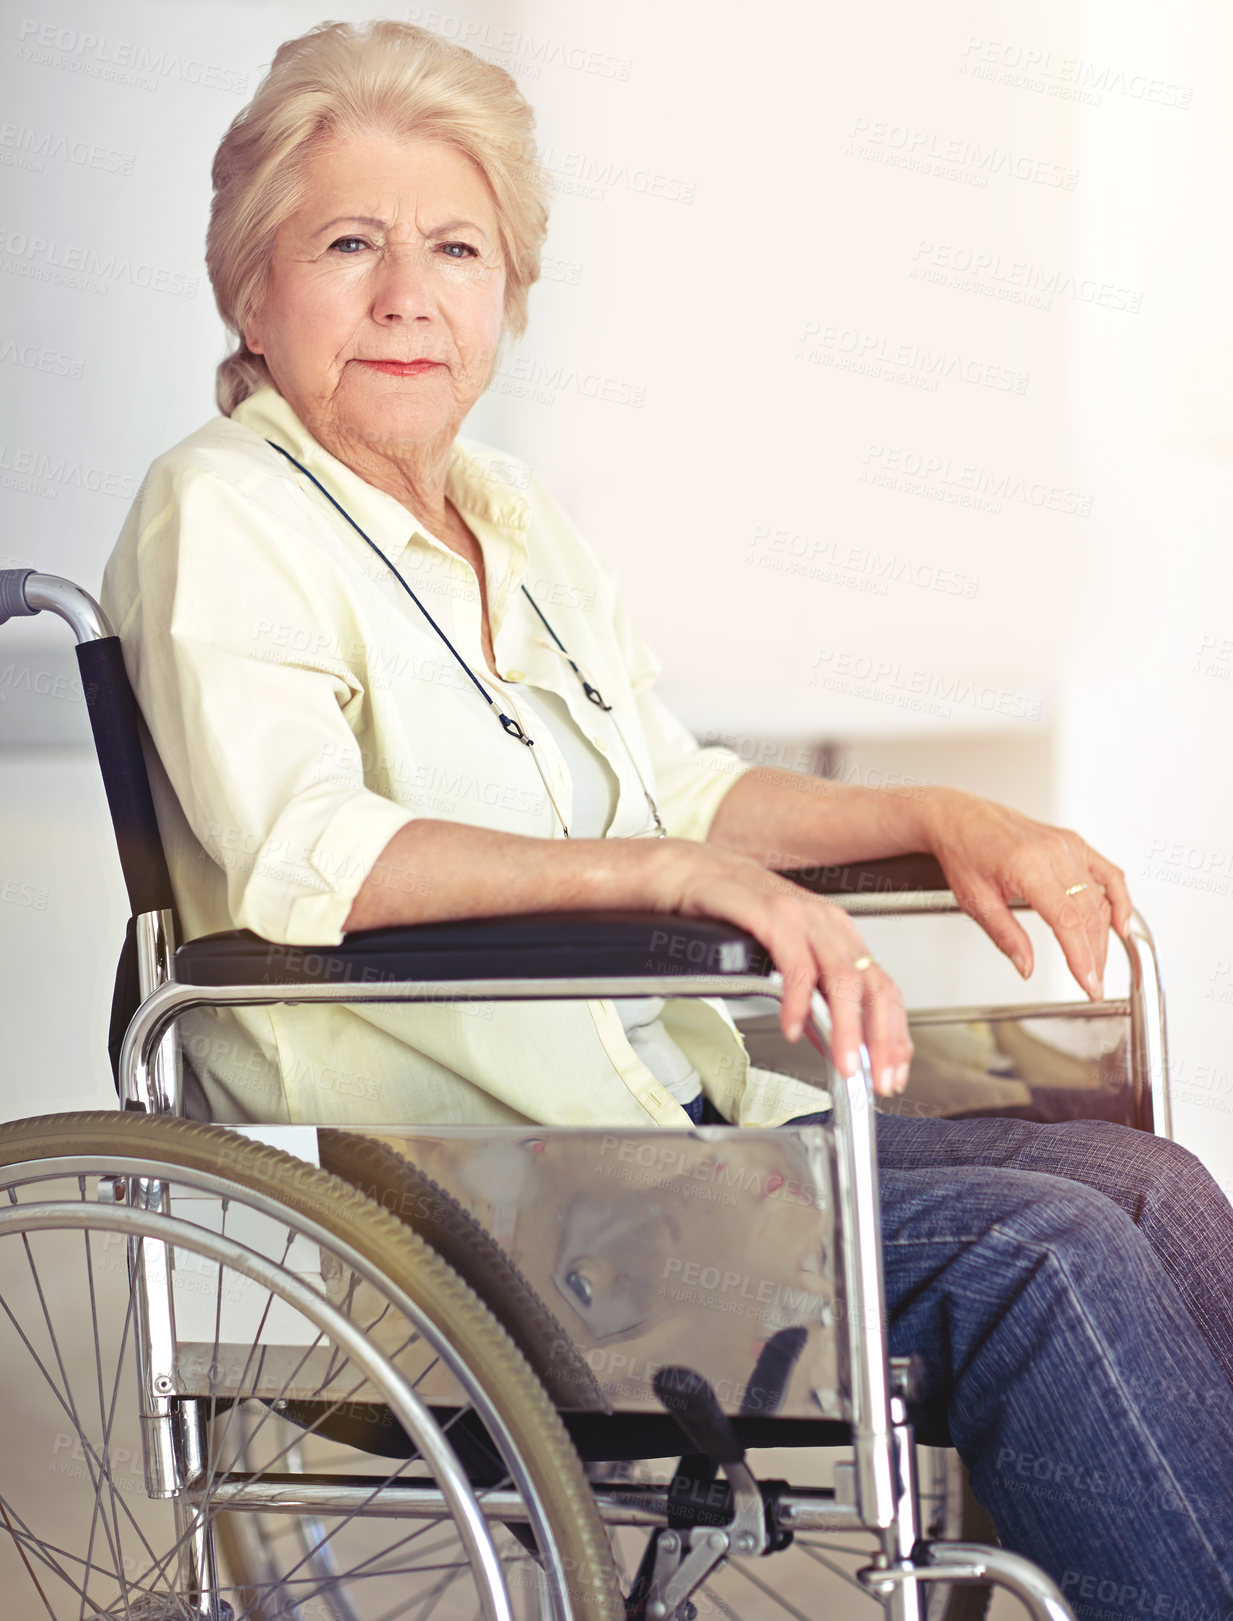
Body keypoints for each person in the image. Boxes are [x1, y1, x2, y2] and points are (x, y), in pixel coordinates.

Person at [100, 18, 1233, 1610]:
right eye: (347, 242)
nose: (408, 290)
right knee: (1052, 1264)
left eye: (457, 247)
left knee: (1149, 1186)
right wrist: (672, 870)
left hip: (666, 1134)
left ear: (509, 293)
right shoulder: (219, 510)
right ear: (249, 287)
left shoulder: (511, 511)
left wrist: (938, 810)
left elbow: (674, 782)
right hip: (471, 1195)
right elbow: (309, 849)